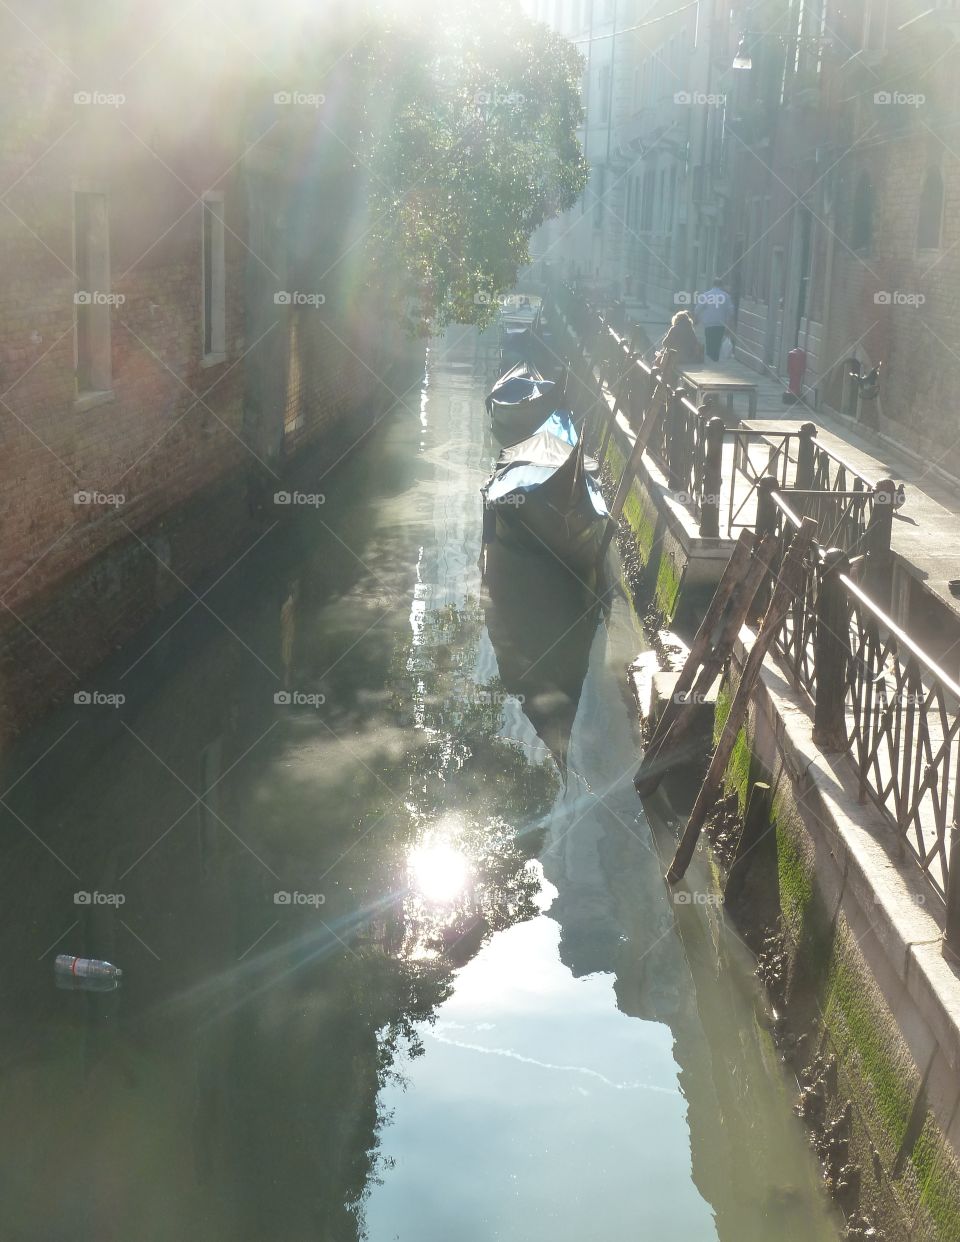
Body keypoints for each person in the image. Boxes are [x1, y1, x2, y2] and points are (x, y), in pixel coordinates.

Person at [694, 279, 734, 362]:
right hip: (720, 324)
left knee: (709, 342)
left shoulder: (706, 295)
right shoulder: (726, 296)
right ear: (721, 285)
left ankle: (710, 359)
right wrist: (729, 325)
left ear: (713, 285)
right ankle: (715, 359)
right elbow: (731, 311)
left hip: (709, 323)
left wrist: (696, 318)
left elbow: (697, 309)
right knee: (717, 343)